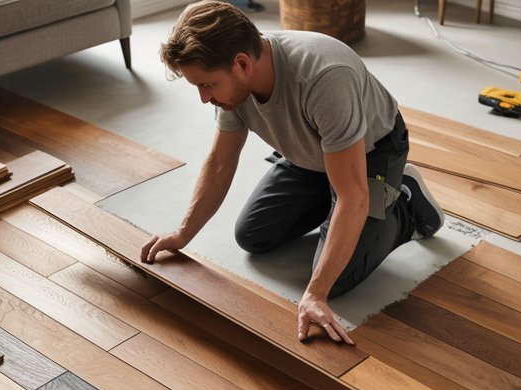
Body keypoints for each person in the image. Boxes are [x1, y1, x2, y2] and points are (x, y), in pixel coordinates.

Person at [142, 0, 443, 344]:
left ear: (241, 64)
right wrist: (183, 233)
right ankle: (337, 203)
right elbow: (221, 161)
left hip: (373, 151)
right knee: (253, 236)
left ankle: (403, 203)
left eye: (207, 85)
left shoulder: (323, 78)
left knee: (339, 278)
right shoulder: (232, 88)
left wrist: (316, 293)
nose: (203, 98)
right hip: (311, 155)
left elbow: (352, 195)